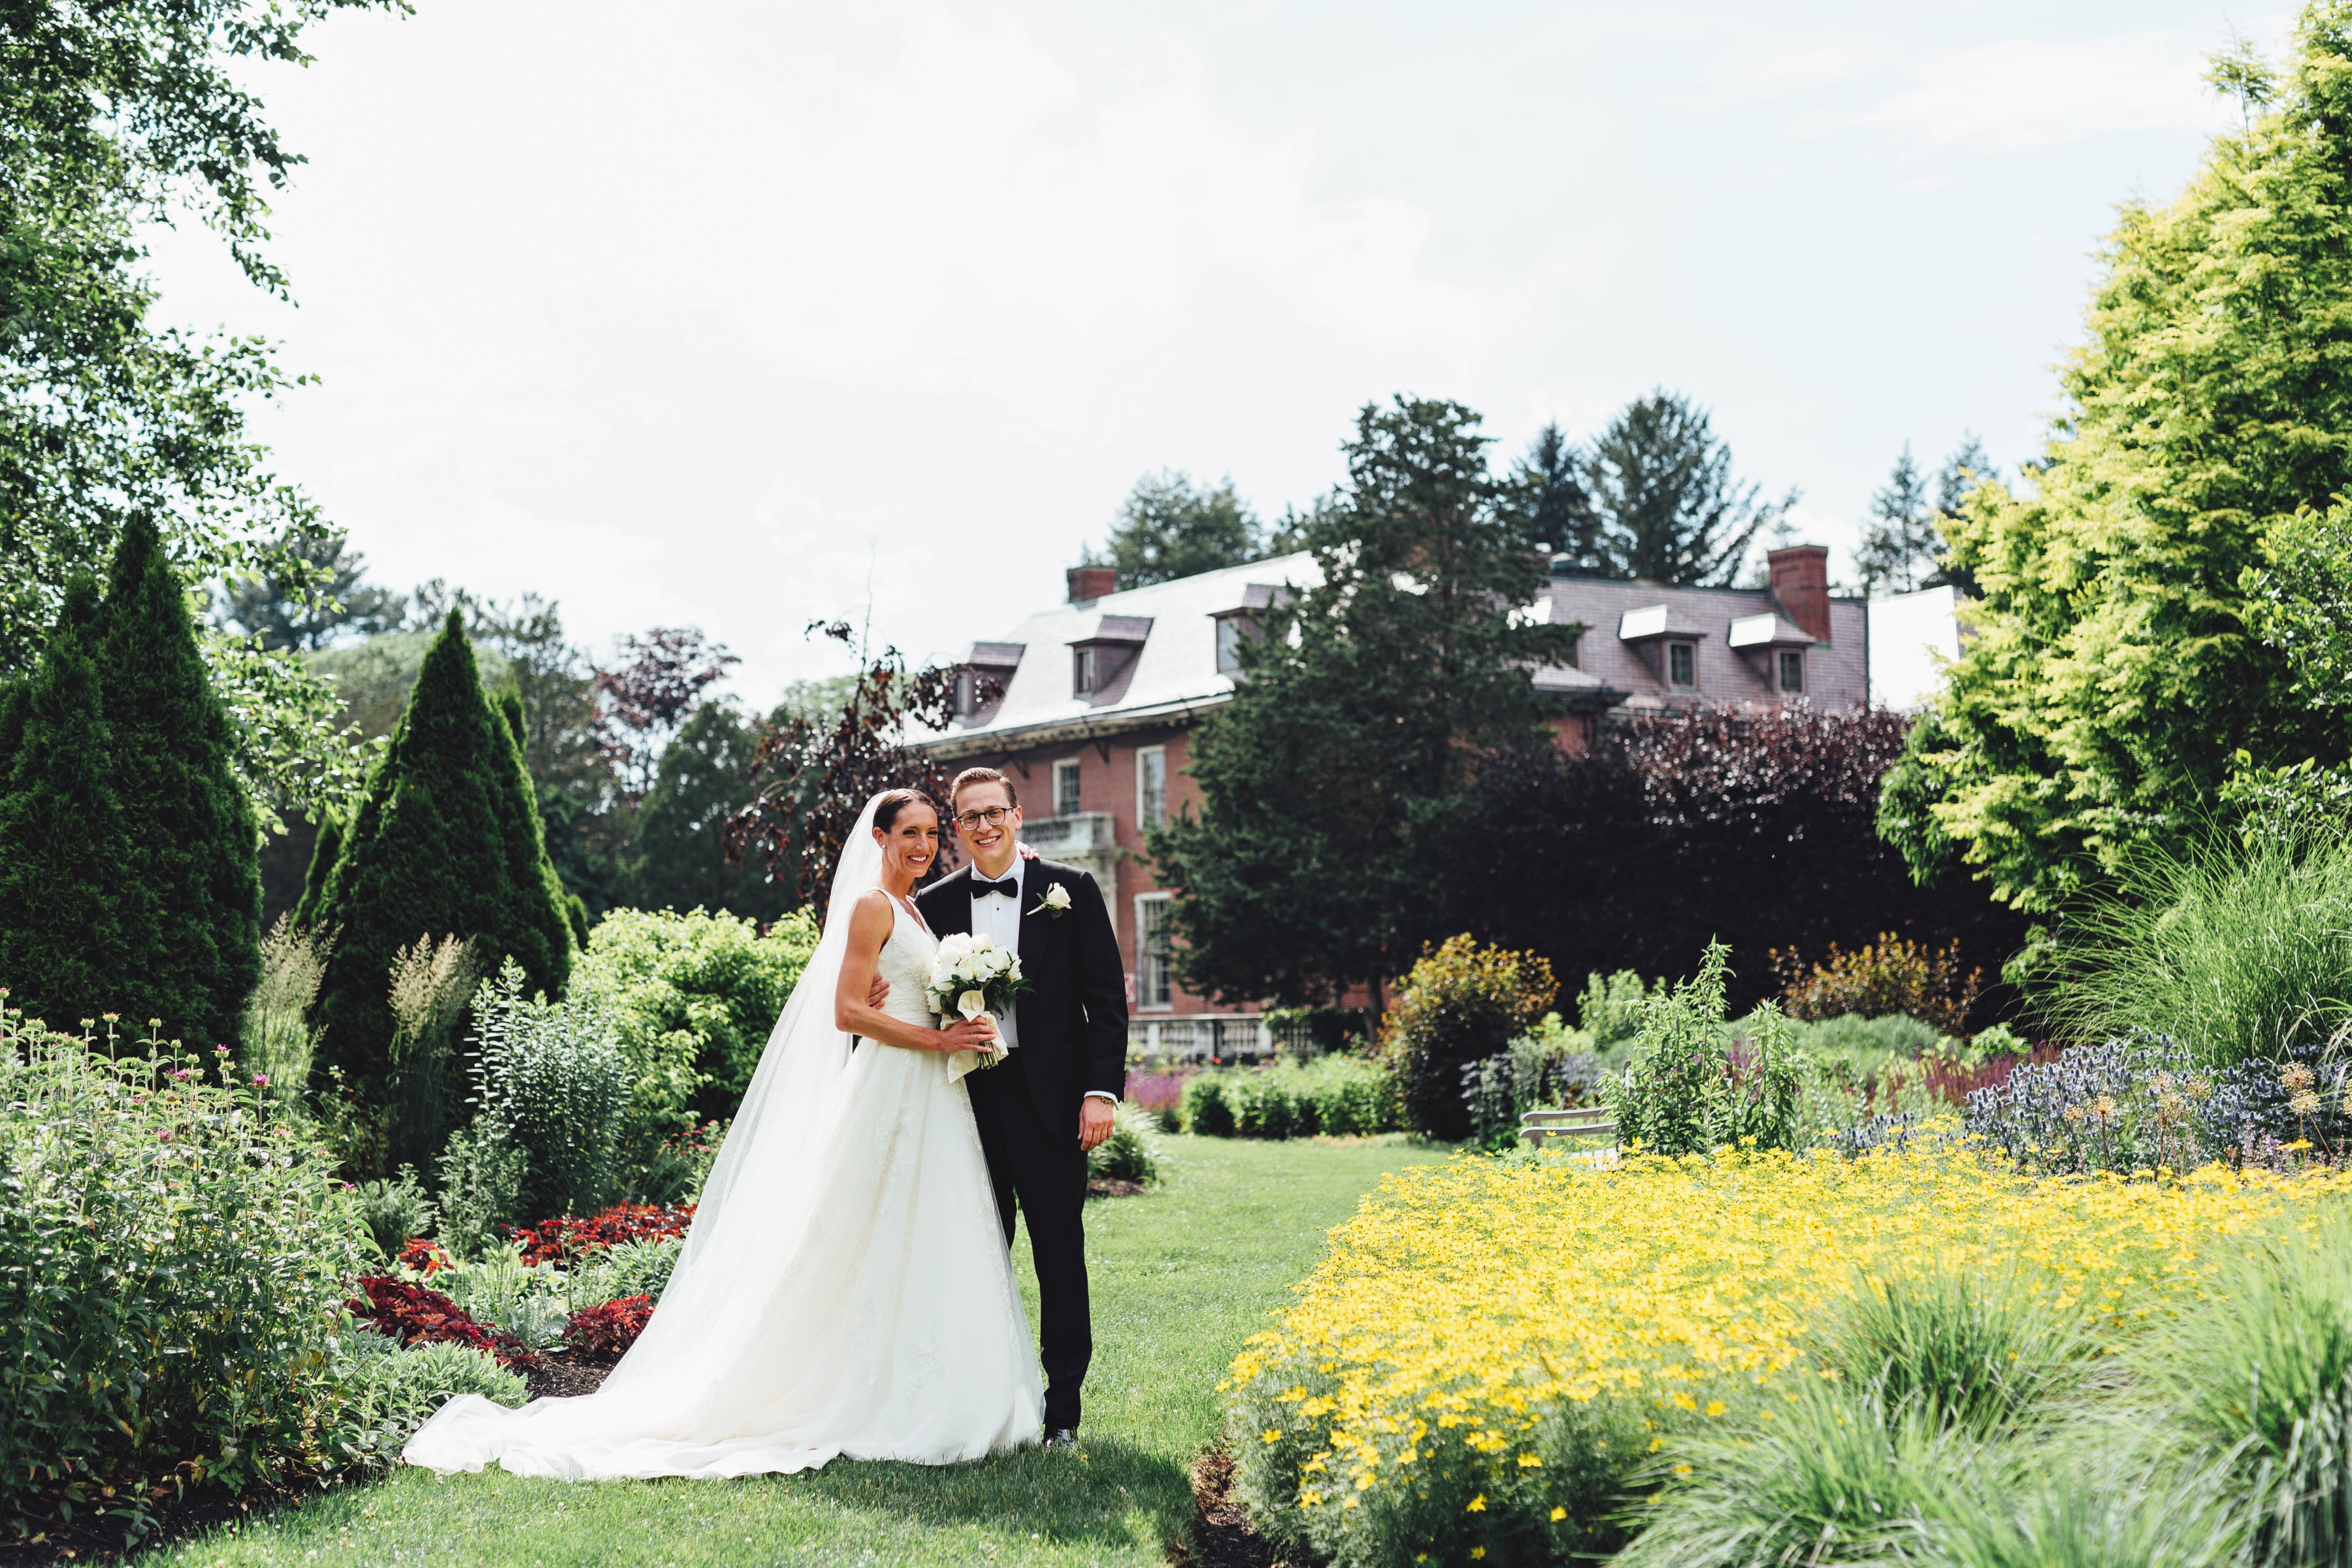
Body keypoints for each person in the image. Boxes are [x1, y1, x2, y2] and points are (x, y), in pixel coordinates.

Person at [400, 789, 1043, 1479]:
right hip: (892, 1085)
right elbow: (848, 1012)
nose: (922, 845)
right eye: (908, 833)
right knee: (861, 1231)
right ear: (880, 838)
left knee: (928, 1230)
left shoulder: (915, 907)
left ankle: (935, 1379)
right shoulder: (870, 906)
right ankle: (843, 1386)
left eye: (929, 833)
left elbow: (910, 979)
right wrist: (937, 1036)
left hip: (930, 1095)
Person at [917, 766, 1128, 1447]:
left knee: (1060, 1256)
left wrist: (1100, 1093)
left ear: (1017, 815)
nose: (985, 825)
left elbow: (1107, 1001)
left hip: (1055, 1107)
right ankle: (982, 1401)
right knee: (976, 1256)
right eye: (971, 816)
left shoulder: (1071, 891)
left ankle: (1062, 1410)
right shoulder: (936, 904)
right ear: (958, 828)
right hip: (966, 1103)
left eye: (994, 812)